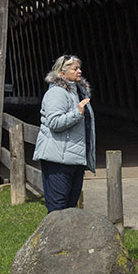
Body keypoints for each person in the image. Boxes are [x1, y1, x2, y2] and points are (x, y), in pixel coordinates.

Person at [33, 54, 96, 212]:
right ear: (62, 73)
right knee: (57, 208)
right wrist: (77, 113)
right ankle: (51, 237)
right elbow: (54, 122)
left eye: (79, 68)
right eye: (75, 68)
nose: (79, 71)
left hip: (74, 158)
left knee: (70, 208)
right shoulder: (57, 93)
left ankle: (69, 237)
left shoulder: (78, 92)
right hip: (58, 160)